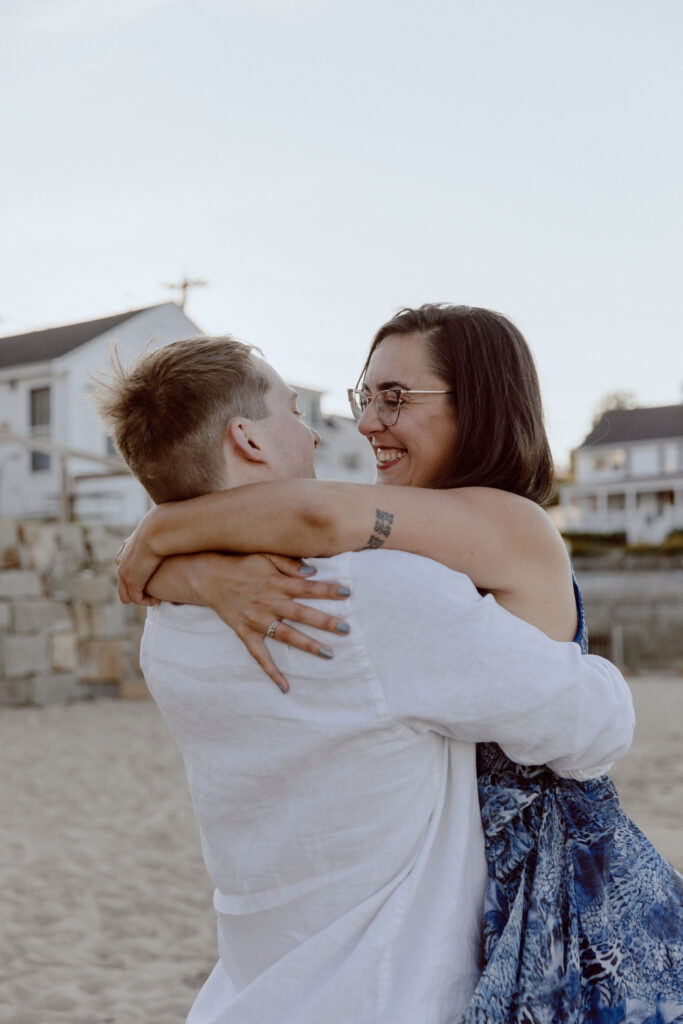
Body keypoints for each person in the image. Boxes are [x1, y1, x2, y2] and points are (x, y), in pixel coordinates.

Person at [113, 306, 683, 1024]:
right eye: (363, 397)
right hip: (411, 976)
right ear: (248, 439)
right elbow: (591, 725)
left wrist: (164, 537)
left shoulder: (168, 626)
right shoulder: (376, 591)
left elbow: (321, 518)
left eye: (393, 398)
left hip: (270, 984)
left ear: (475, 406)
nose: (353, 425)